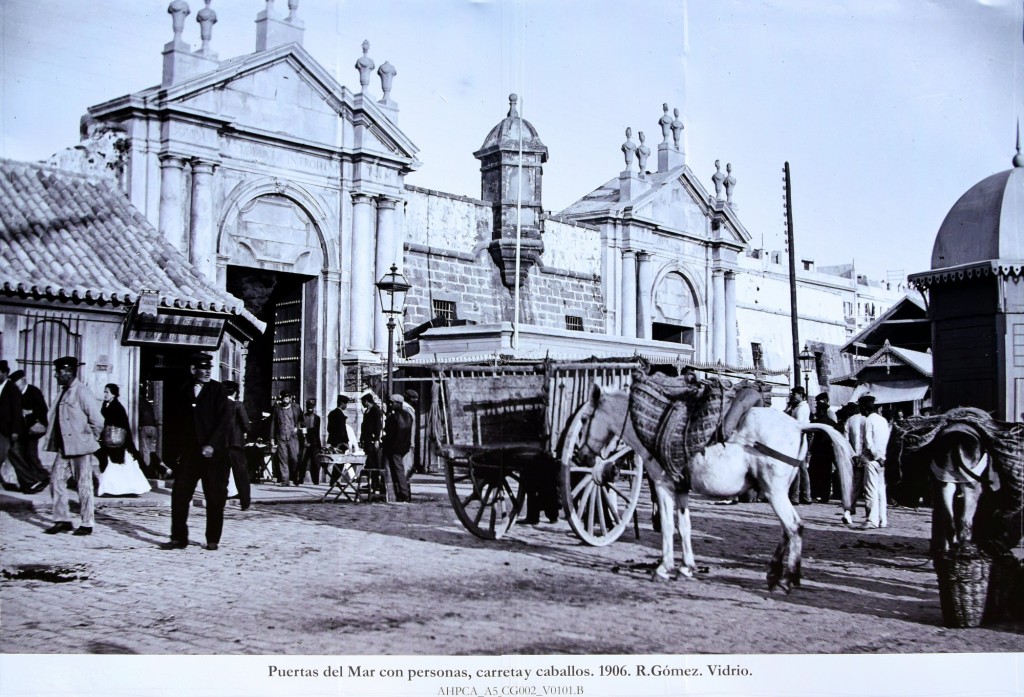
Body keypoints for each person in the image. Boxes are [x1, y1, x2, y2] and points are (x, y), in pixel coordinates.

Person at [161, 352, 231, 551]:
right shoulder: (182, 389)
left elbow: (224, 421)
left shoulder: (219, 390)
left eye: (210, 368)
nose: (208, 371)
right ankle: (178, 538)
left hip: (212, 456)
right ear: (193, 370)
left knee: (214, 498)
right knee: (180, 496)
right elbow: (174, 423)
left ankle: (212, 539)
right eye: (203, 368)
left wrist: (212, 444)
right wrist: (172, 454)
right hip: (190, 455)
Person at [42, 356, 103, 535]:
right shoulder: (64, 392)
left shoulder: (82, 392)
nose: (55, 376)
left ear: (68, 372)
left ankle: (87, 523)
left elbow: (98, 420)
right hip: (64, 448)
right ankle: (62, 520)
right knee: (56, 481)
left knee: (83, 484)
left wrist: (89, 439)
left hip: (80, 447)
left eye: (58, 372)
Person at [96, 383, 150, 497]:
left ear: (113, 394)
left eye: (107, 392)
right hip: (110, 440)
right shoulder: (106, 405)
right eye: (104, 392)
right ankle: (113, 489)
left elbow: (122, 425)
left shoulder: (117, 407)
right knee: (112, 464)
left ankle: (119, 489)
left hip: (118, 441)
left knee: (118, 465)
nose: (105, 394)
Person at [7, 368, 50, 493]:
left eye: (16, 384)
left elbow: (43, 410)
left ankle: (42, 477)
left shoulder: (33, 391)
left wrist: (30, 412)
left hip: (33, 430)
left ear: (23, 380)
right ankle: (28, 483)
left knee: (30, 455)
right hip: (20, 430)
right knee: (20, 455)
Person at [856, 395, 891, 529]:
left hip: (873, 460)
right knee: (882, 490)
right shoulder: (883, 420)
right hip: (884, 458)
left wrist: (877, 457)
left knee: (871, 490)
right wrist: (883, 458)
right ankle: (883, 519)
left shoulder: (868, 421)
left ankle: (872, 519)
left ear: (864, 408)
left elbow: (869, 443)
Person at [223, 380, 251, 511]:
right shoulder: (237, 405)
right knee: (241, 474)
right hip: (236, 444)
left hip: (222, 444)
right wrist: (246, 431)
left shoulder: (218, 405)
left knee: (222, 475)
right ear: (235, 392)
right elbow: (246, 424)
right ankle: (245, 502)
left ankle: (220, 501)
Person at [380, 394, 412, 502]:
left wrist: (384, 442)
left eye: (392, 403)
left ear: (398, 404)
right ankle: (401, 492)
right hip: (404, 447)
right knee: (401, 470)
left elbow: (390, 434)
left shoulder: (393, 418)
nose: (390, 405)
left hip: (394, 448)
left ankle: (403, 493)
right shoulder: (408, 416)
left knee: (398, 471)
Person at [808, 392, 839, 503]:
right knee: (826, 474)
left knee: (814, 473)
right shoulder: (832, 423)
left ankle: (815, 493)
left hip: (818, 452)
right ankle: (825, 496)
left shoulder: (816, 422)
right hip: (828, 452)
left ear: (821, 411)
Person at [268, 390, 302, 487]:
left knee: (294, 458)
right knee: (283, 459)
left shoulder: (296, 408)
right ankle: (285, 481)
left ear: (290, 398)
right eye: (284, 398)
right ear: (281, 398)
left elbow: (301, 420)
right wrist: (271, 438)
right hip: (281, 438)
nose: (286, 399)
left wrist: (297, 428)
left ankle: (295, 477)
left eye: (287, 397)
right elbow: (273, 423)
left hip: (293, 438)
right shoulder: (277, 409)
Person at [785, 386, 812, 505]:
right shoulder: (796, 407)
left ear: (801, 395)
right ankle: (806, 496)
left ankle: (795, 496)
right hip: (797, 440)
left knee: (796, 468)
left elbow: (798, 425)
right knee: (802, 469)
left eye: (794, 394)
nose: (793, 396)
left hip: (798, 440)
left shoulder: (802, 409)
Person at [358, 391, 384, 496]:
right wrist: (361, 439)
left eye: (363, 402)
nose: (362, 404)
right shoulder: (367, 411)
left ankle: (376, 483)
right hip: (367, 440)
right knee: (369, 463)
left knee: (374, 463)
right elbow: (363, 427)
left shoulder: (375, 411)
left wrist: (377, 439)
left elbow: (378, 426)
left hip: (373, 440)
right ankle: (370, 483)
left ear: (366, 401)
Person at [296, 398, 322, 485]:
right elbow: (300, 429)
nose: (310, 408)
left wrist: (319, 445)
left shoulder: (317, 418)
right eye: (309, 406)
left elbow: (317, 432)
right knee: (303, 462)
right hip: (304, 442)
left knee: (315, 462)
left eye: (312, 406)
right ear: (306, 407)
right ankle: (301, 479)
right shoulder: (302, 417)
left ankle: (316, 480)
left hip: (314, 443)